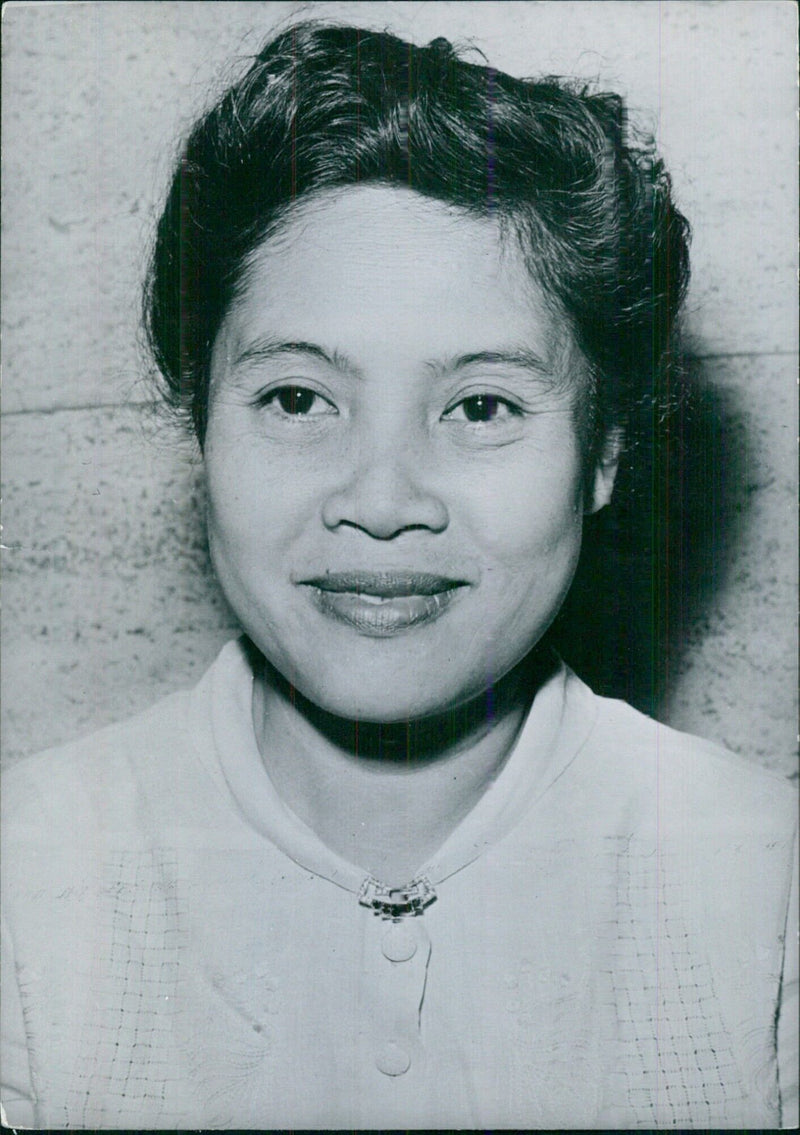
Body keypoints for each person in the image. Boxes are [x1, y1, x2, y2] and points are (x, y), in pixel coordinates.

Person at [1, 19, 796, 1130]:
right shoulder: (27, 881)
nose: (379, 502)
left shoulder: (766, 883)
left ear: (603, 452)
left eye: (480, 407)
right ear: (200, 422)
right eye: (295, 399)